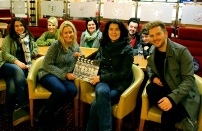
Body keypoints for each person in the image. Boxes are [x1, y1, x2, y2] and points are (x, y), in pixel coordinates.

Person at [145, 20, 200, 131]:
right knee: (150, 87)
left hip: (183, 94)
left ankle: (184, 118)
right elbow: (149, 66)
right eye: (152, 35)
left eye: (158, 34)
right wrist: (152, 77)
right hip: (165, 89)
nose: (155, 38)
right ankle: (182, 116)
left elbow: (189, 80)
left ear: (166, 34)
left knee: (167, 116)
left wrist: (171, 99)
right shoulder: (152, 50)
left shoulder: (182, 52)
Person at [86, 19, 134, 131]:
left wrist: (100, 77)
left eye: (117, 29)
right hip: (103, 82)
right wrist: (87, 70)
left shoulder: (128, 49)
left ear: (121, 31)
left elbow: (124, 74)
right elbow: (98, 62)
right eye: (111, 29)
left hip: (119, 84)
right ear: (107, 31)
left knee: (96, 104)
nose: (114, 32)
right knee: (102, 92)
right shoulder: (103, 44)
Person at [35, 20, 82, 130]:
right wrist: (65, 74)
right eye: (65, 33)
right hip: (47, 73)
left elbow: (78, 65)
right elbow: (47, 65)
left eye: (70, 32)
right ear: (61, 34)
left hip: (63, 76)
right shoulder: (56, 45)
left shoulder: (75, 46)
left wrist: (79, 58)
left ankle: (52, 110)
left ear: (74, 33)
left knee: (72, 91)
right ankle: (42, 117)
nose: (68, 35)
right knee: (60, 90)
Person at [0, 17, 38, 124]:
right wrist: (17, 62)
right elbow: (5, 54)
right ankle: (24, 103)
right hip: (8, 65)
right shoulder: (9, 38)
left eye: (21, 25)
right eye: (16, 26)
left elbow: (35, 48)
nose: (19, 28)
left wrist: (33, 54)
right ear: (13, 27)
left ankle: (7, 113)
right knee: (17, 70)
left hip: (23, 67)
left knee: (12, 86)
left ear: (25, 27)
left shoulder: (29, 37)